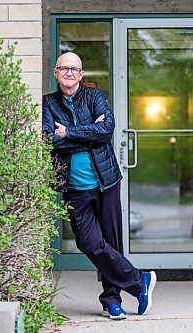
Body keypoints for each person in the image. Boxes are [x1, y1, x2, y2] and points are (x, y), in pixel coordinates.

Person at [42, 52, 156, 320]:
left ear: (81, 75)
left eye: (75, 69)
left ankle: (111, 300)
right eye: (64, 68)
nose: (69, 73)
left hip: (106, 183)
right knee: (88, 242)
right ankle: (140, 282)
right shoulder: (48, 104)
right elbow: (50, 140)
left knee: (112, 242)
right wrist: (87, 132)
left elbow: (106, 131)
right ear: (56, 73)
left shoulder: (93, 97)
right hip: (74, 187)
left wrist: (68, 131)